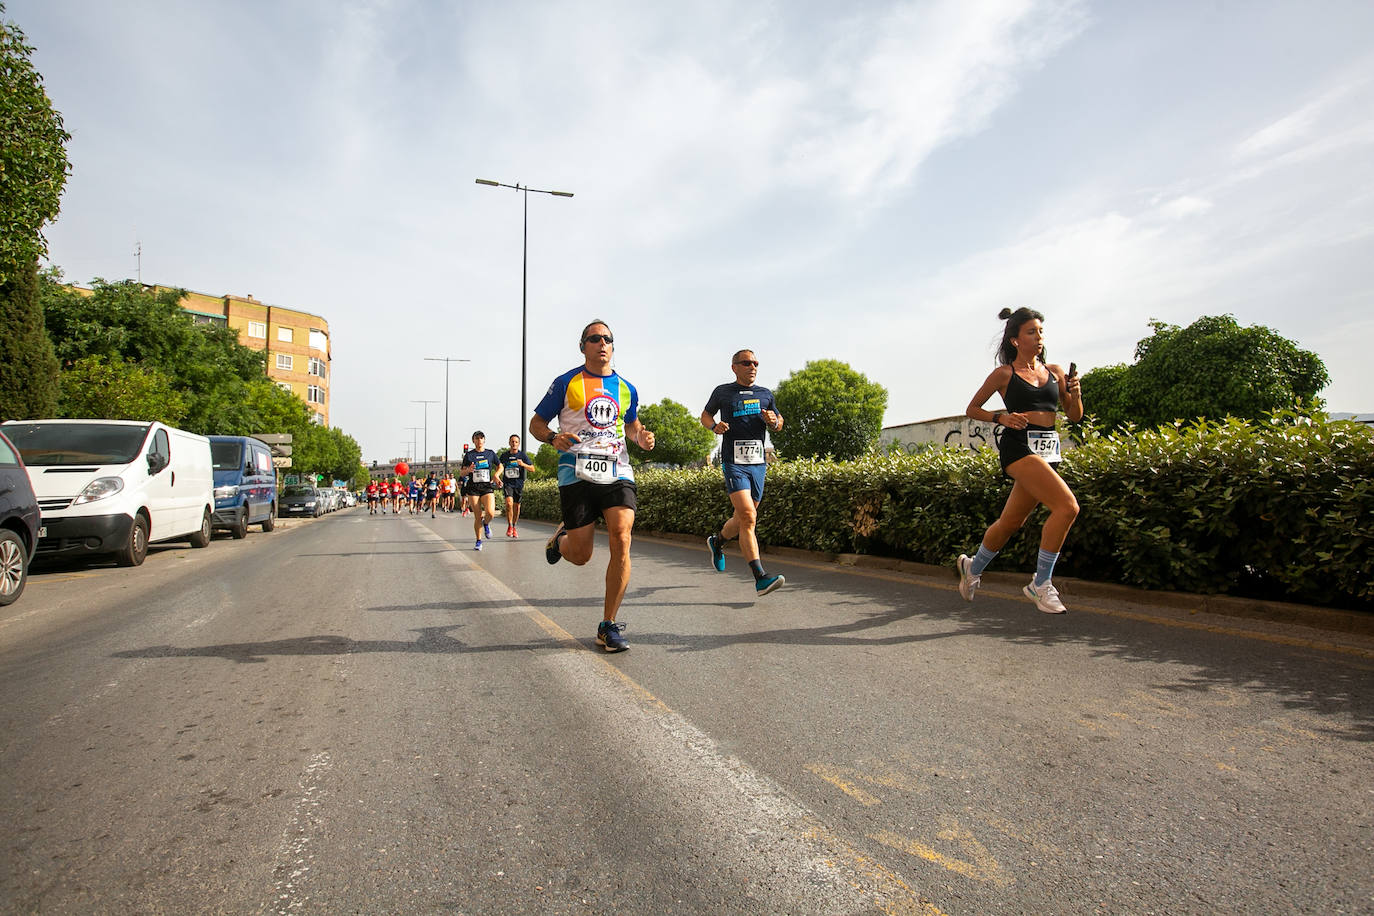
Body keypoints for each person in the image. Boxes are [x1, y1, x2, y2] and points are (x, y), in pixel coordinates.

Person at [530, 319, 655, 653]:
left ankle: (608, 625)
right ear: (583, 346)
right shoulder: (566, 383)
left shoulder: (627, 387)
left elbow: (631, 425)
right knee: (582, 555)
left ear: (613, 347)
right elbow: (536, 424)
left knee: (622, 535)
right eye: (594, 338)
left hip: (617, 470)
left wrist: (640, 436)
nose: (602, 343)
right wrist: (553, 438)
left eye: (608, 339)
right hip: (576, 471)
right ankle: (561, 542)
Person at [958, 307, 1083, 614]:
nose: (1038, 337)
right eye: (1031, 332)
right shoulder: (1004, 374)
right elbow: (972, 409)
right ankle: (1040, 584)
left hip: (1047, 453)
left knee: (1011, 522)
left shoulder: (1055, 372)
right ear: (1015, 340)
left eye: (1041, 331)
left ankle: (972, 567)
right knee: (1067, 507)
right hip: (1018, 448)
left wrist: (1075, 393)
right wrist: (1002, 417)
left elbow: (1074, 415)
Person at [700, 349, 786, 596]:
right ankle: (760, 577)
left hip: (758, 463)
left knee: (742, 518)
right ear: (734, 367)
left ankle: (717, 542)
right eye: (747, 363)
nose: (753, 366)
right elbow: (705, 415)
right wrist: (715, 426)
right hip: (733, 461)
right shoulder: (723, 392)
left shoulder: (765, 395)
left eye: (756, 363)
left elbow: (779, 423)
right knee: (748, 516)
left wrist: (773, 420)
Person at [460, 432, 501, 550]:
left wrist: (496, 475)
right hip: (473, 489)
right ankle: (478, 541)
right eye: (476, 438)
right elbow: (462, 472)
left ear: (484, 440)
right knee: (477, 516)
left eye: (481, 438)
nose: (479, 440)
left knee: (491, 513)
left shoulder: (490, 453)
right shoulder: (469, 455)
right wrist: (468, 470)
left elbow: (500, 466)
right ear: (473, 441)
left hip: (487, 487)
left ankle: (486, 524)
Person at [498, 434, 535, 537]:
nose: (514, 443)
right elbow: (499, 467)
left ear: (518, 444)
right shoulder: (504, 456)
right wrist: (497, 477)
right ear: (509, 443)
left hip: (518, 484)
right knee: (509, 503)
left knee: (517, 507)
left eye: (516, 442)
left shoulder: (522, 455)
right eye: (512, 441)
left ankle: (514, 526)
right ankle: (509, 526)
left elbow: (532, 468)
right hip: (508, 483)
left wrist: (523, 464)